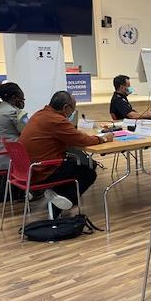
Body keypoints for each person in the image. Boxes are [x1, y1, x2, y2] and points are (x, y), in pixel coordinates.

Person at [20, 91, 114, 219]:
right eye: (73, 109)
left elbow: (71, 136)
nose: (72, 113)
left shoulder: (40, 114)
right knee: (88, 173)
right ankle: (61, 199)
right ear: (65, 107)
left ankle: (58, 196)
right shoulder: (56, 120)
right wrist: (103, 138)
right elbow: (82, 140)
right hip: (44, 170)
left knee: (76, 164)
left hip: (30, 169)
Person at [109, 74, 151, 160]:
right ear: (122, 87)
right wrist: (148, 115)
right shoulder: (118, 100)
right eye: (128, 86)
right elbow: (131, 115)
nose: (130, 88)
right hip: (129, 126)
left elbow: (131, 113)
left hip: (132, 123)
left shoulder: (121, 97)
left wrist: (147, 114)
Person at [0, 82, 29, 203]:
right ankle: (34, 190)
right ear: (14, 98)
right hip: (7, 158)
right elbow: (28, 133)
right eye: (22, 99)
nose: (23, 102)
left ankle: (5, 194)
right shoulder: (13, 112)